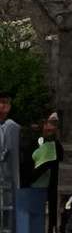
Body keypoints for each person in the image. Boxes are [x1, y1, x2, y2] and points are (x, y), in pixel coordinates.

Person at [17, 113, 60, 233]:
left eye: (53, 124)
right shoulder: (36, 142)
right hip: (31, 187)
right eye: (47, 123)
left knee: (33, 223)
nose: (49, 127)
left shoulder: (52, 146)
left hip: (38, 188)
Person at [0, 94, 19, 233]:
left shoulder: (12, 127)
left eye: (6, 103)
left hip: (8, 178)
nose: (3, 106)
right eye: (1, 102)